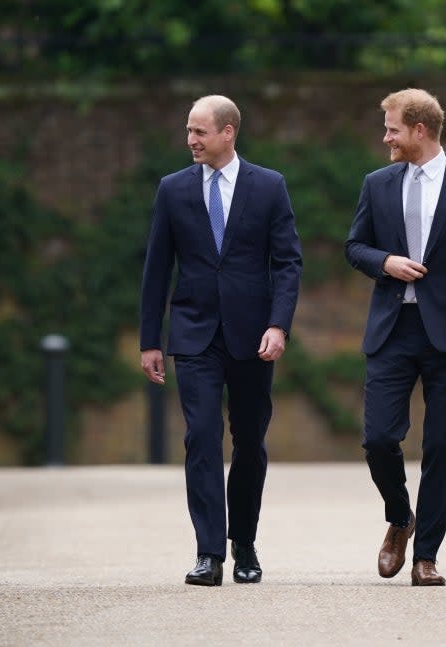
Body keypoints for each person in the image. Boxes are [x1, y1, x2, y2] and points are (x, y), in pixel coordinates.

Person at [345, 88, 446, 586]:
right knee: (378, 439)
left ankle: (427, 557)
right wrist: (385, 262)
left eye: (392, 128)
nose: (386, 136)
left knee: (440, 447)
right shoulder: (377, 184)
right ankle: (400, 517)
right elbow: (355, 246)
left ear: (419, 130)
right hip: (392, 329)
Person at [140, 95, 302, 586]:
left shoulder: (269, 186)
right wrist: (151, 339)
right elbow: (156, 269)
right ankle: (209, 553)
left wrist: (279, 324)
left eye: (199, 131)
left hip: (253, 336)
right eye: (188, 131)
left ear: (228, 132)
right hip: (193, 335)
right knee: (202, 438)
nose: (190, 140)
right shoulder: (172, 190)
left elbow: (288, 262)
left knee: (249, 442)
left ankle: (245, 543)